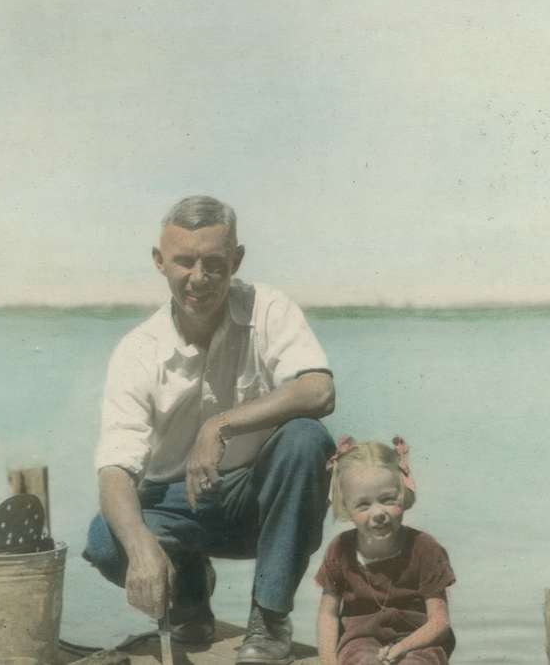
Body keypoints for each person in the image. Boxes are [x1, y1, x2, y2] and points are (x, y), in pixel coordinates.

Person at [83, 195, 337, 665]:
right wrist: (142, 551)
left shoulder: (269, 308)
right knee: (106, 542)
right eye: (184, 261)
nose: (198, 278)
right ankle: (190, 593)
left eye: (214, 263)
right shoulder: (136, 350)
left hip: (254, 499)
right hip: (174, 504)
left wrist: (218, 425)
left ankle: (270, 617)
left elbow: (319, 390)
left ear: (236, 261)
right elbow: (115, 469)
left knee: (305, 438)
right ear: (159, 262)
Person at [315, 437, 455, 665]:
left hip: (419, 641)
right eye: (363, 504)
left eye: (388, 499)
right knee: (360, 660)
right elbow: (327, 614)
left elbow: (440, 622)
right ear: (347, 507)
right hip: (360, 640)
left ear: (403, 493)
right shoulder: (340, 549)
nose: (378, 512)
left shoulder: (425, 548)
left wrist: (401, 648)